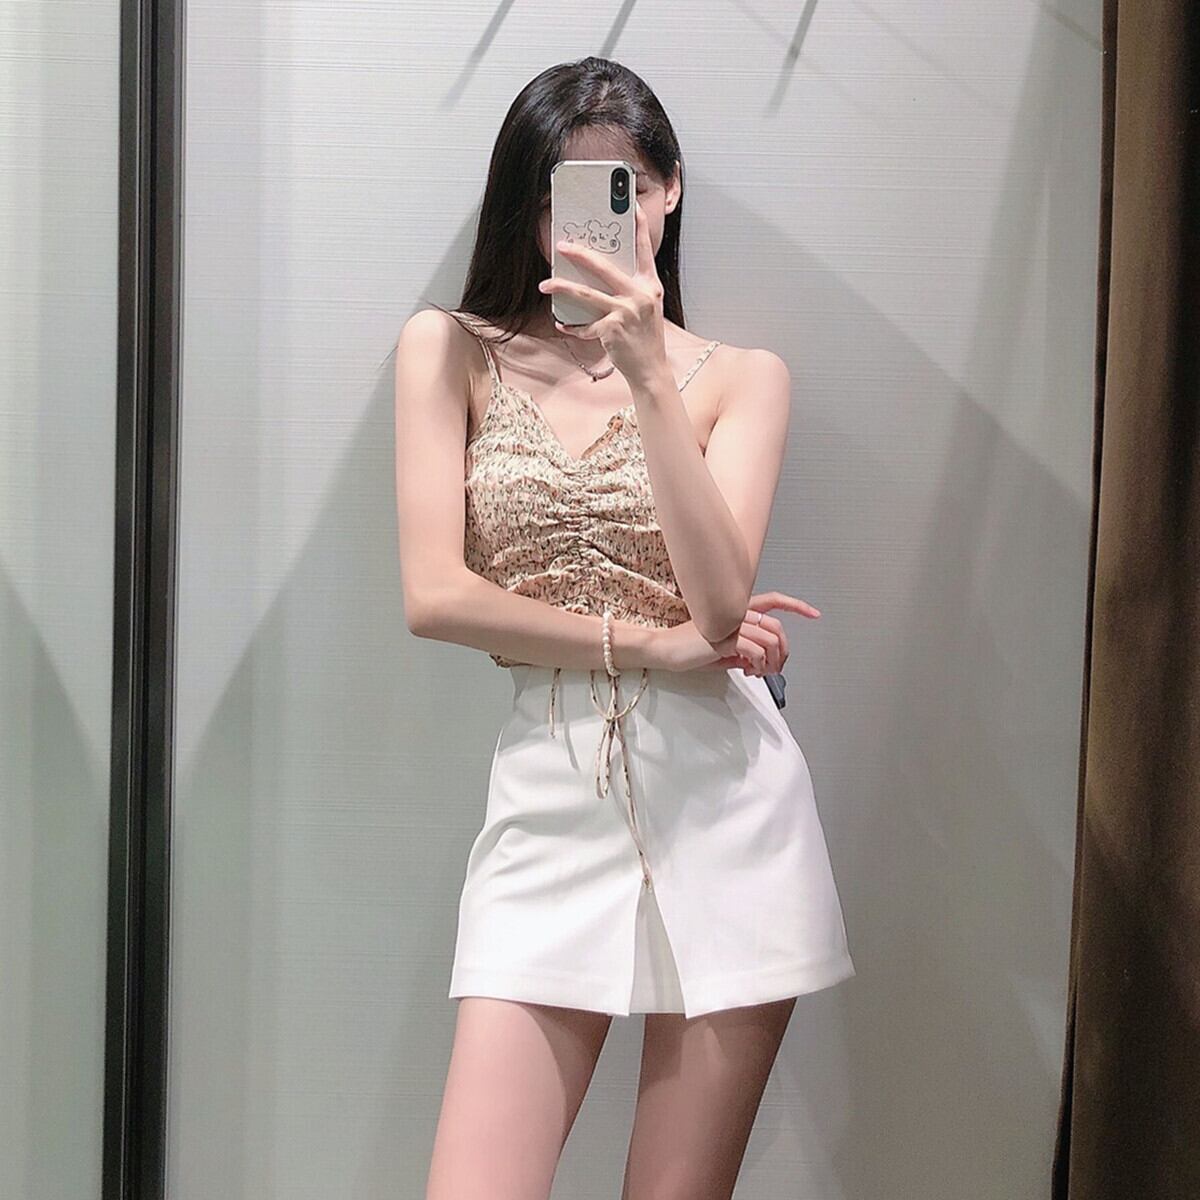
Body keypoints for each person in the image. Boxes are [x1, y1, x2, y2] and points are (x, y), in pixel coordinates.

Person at [393, 55, 854, 1200]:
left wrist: (650, 376)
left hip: (726, 811)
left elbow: (721, 604)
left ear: (669, 192)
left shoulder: (741, 378)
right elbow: (433, 596)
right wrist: (646, 646)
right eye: (562, 195)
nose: (594, 222)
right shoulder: (451, 349)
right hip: (548, 802)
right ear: (526, 208)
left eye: (626, 189)